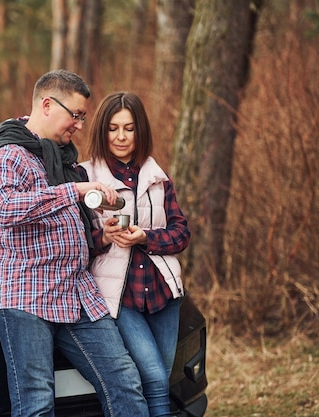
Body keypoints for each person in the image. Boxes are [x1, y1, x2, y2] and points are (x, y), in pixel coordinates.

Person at [0, 71, 149, 417]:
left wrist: (102, 226)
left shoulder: (63, 159)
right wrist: (76, 191)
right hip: (22, 292)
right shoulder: (9, 153)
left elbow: (68, 225)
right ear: (48, 105)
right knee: (36, 401)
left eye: (83, 117)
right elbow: (6, 208)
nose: (80, 125)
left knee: (124, 380)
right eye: (76, 115)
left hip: (74, 289)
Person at [78, 91, 191, 417]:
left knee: (161, 380)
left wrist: (146, 236)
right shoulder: (86, 177)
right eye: (113, 128)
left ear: (140, 130)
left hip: (162, 293)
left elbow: (181, 233)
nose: (121, 137)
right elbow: (76, 241)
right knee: (153, 379)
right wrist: (104, 236)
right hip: (119, 296)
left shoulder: (157, 176)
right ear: (102, 131)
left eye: (129, 128)